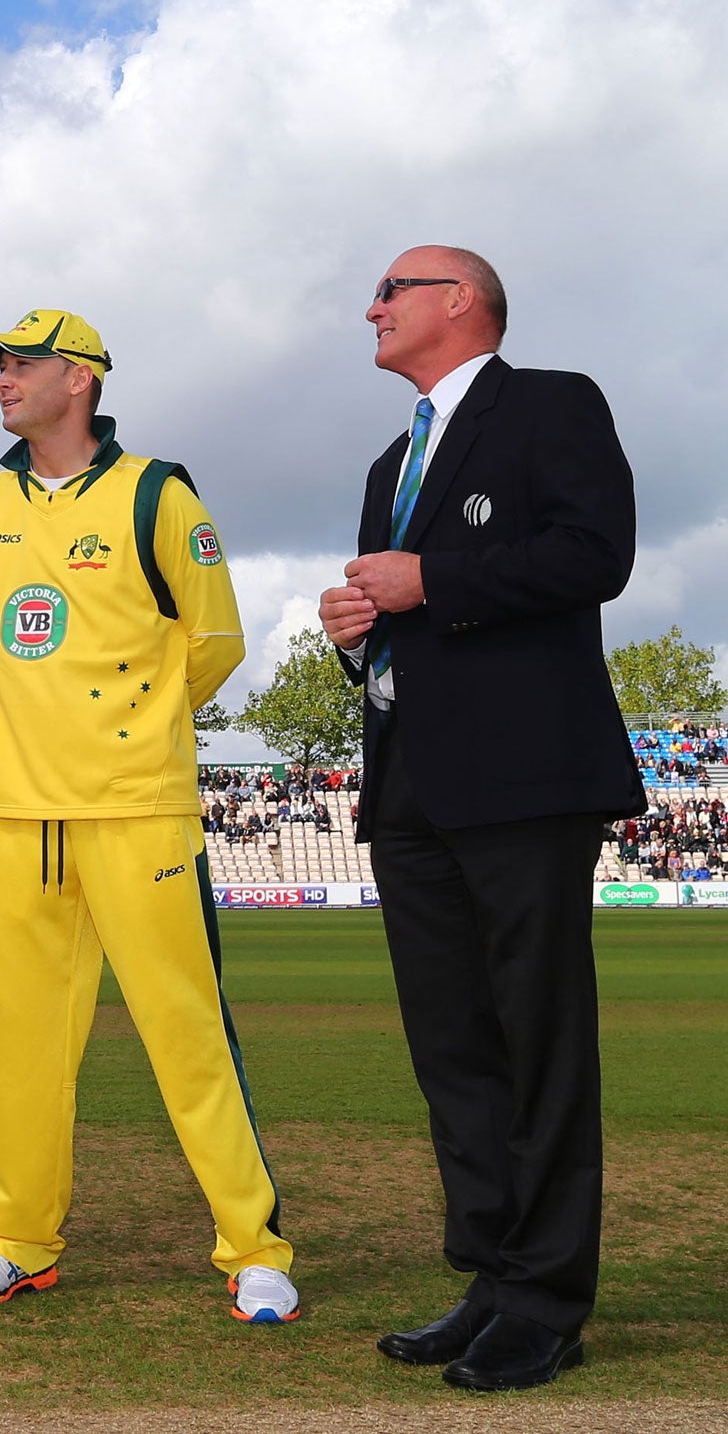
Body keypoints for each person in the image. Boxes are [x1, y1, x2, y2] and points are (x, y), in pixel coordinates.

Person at [318, 248, 641, 1391]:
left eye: (389, 288)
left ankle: (545, 1302)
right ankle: (491, 1278)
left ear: (457, 301)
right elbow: (402, 613)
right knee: (452, 1050)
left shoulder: (549, 404)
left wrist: (429, 584)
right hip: (408, 780)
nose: (369, 306)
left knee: (535, 1043)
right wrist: (357, 634)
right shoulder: (388, 461)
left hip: (523, 779)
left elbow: (594, 555)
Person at [0, 307, 297, 1323]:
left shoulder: (156, 493)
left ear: (79, 379)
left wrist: (132, 732)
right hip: (18, 819)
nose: (3, 378)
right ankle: (15, 1240)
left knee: (186, 1039)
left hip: (136, 813)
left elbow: (216, 639)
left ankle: (254, 1248)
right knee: (21, 1048)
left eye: (23, 363)